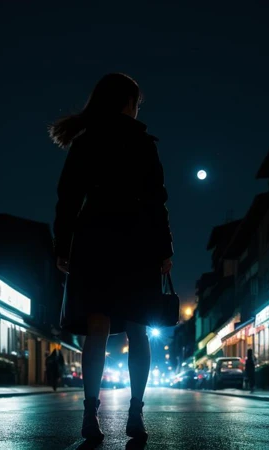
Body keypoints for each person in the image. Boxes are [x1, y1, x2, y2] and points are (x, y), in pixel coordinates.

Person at [50, 73, 173, 443]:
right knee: (139, 330)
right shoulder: (143, 144)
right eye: (136, 102)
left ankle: (91, 416)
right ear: (126, 102)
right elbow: (157, 201)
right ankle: (135, 414)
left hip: (95, 239)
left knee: (97, 329)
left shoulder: (85, 143)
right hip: (137, 240)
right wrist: (165, 249)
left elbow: (68, 199)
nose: (138, 109)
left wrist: (63, 245)